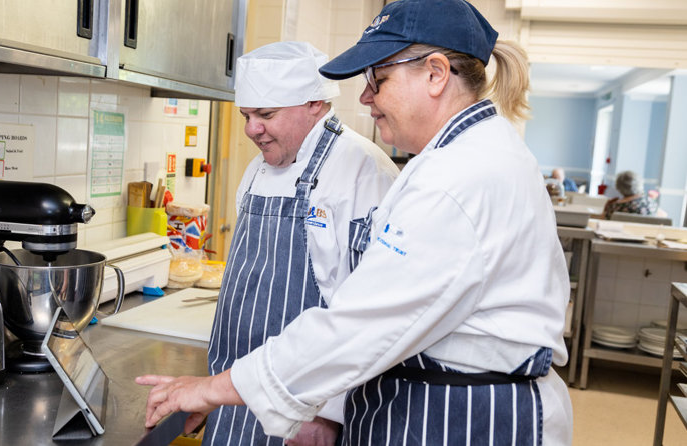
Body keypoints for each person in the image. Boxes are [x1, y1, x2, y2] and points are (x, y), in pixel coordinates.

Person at [136, 1, 573, 444]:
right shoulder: (458, 159)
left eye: (377, 80)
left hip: (467, 418)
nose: (365, 97)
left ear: (436, 74)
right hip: (437, 404)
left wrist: (212, 389)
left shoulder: (459, 178)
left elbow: (358, 325)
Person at [170, 41, 398, 446]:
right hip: (235, 398)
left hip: (305, 415)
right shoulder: (257, 170)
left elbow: (375, 317)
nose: (251, 129)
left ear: (313, 103)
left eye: (266, 114)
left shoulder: (364, 171)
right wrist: (212, 391)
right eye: (246, 115)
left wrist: (329, 413)